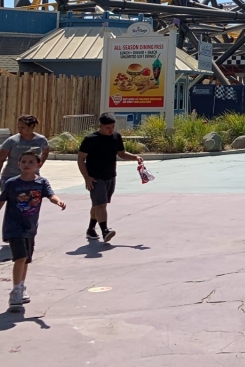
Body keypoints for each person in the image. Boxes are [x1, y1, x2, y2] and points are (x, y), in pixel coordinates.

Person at [0, 147, 65, 312]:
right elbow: (2, 201)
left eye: (31, 162)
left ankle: (21, 286)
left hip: (30, 227)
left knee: (26, 259)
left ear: (38, 164)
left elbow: (51, 195)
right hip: (13, 227)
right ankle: (15, 292)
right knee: (20, 257)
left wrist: (58, 201)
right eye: (23, 162)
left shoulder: (41, 183)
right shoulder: (11, 183)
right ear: (18, 164)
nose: (27, 164)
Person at [76, 113, 142, 243]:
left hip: (110, 176)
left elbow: (121, 153)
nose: (110, 130)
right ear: (100, 125)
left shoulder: (116, 137)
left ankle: (91, 229)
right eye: (108, 127)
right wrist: (86, 177)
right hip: (95, 177)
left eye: (112, 127)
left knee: (99, 204)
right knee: (101, 204)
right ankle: (105, 231)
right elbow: (80, 159)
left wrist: (135, 157)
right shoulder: (90, 139)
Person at [0, 114, 50, 184]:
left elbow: (45, 152)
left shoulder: (41, 140)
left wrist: (39, 164)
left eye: (22, 127)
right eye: (18, 127)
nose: (20, 130)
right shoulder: (12, 141)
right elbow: (1, 159)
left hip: (32, 178)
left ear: (31, 126)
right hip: (11, 177)